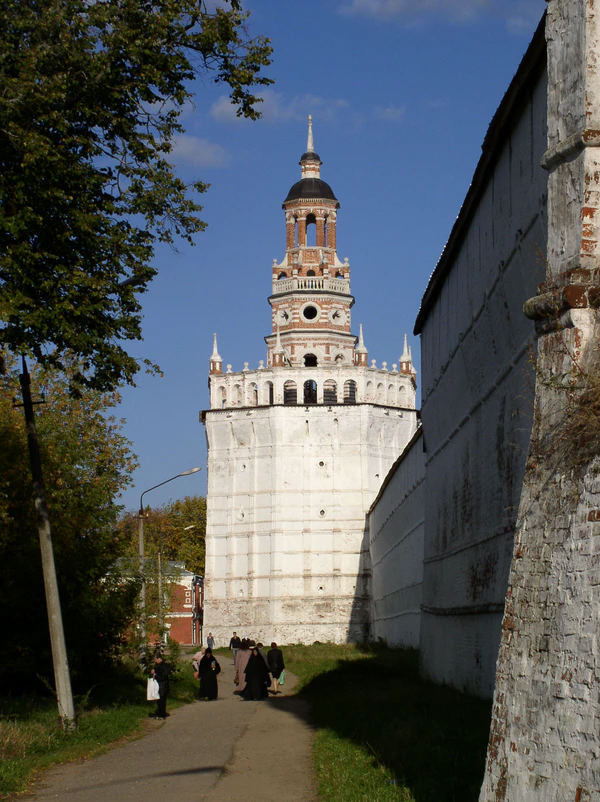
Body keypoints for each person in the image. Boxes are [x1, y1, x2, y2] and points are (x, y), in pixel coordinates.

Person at [151, 650, 170, 719]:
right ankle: (160, 713)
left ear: (158, 658)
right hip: (158, 685)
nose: (155, 661)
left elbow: (164, 676)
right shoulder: (157, 665)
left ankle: (162, 714)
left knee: (162, 700)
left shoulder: (163, 665)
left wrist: (156, 675)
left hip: (163, 685)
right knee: (159, 700)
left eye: (155, 659)